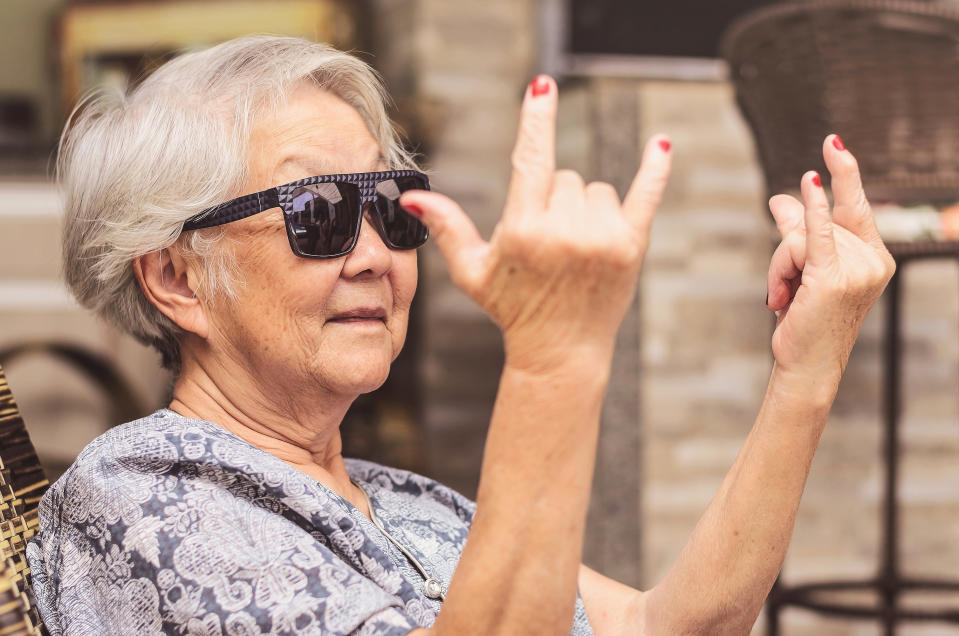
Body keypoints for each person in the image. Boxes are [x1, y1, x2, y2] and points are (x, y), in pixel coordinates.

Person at [27, 35, 894, 635]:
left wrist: (808, 370)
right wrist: (557, 356)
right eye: (319, 213)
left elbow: (667, 625)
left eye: (387, 206)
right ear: (176, 278)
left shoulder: (400, 499)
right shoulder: (142, 497)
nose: (374, 255)